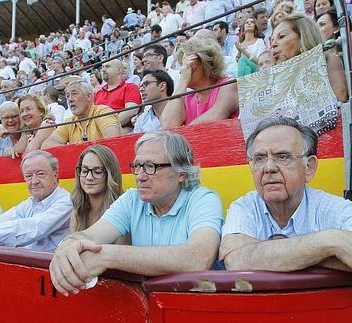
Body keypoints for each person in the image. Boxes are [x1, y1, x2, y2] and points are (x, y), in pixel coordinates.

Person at [219, 117, 352, 295]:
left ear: (309, 167)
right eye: (259, 158)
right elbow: (236, 260)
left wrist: (272, 255)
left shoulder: (335, 208)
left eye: (282, 157)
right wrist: (329, 243)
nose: (268, 168)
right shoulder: (244, 207)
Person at [49, 131, 223, 296]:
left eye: (150, 166)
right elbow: (90, 235)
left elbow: (198, 258)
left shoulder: (203, 199)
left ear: (181, 173)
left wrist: (107, 256)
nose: (140, 176)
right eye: (137, 166)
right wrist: (68, 246)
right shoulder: (133, 199)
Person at [162, 37, 238, 128]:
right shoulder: (188, 97)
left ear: (202, 62)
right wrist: (182, 82)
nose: (182, 70)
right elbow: (168, 125)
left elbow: (216, 116)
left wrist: (182, 133)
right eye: (183, 65)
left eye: (187, 64)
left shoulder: (229, 84)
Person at [270, 14, 347, 102]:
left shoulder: (328, 60)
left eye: (282, 36)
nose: (273, 45)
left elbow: (341, 96)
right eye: (272, 40)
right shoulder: (275, 79)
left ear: (303, 37)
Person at [71, 145, 129, 245]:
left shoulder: (122, 212)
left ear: (111, 174)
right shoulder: (78, 210)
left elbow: (118, 258)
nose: (89, 177)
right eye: (84, 171)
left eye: (97, 172)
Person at [41, 80, 121, 148]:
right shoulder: (70, 121)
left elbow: (112, 140)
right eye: (68, 96)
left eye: (74, 94)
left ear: (89, 96)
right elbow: (47, 145)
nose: (70, 100)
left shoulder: (103, 112)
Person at [94, 59, 142, 130]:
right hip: (99, 131)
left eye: (107, 66)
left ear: (119, 70)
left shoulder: (130, 87)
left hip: (121, 129)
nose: (103, 70)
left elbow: (131, 111)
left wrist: (108, 127)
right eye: (102, 67)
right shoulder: (98, 93)